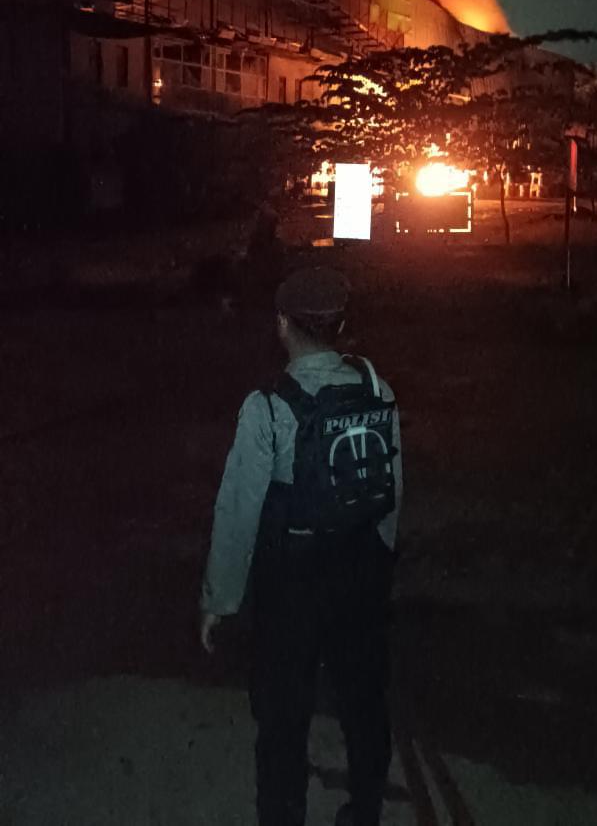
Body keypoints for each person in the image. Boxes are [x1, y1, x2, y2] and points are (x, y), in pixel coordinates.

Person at [200, 266, 402, 826]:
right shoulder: (376, 388)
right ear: (340, 326)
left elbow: (238, 510)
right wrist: (380, 560)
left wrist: (220, 600)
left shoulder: (267, 407)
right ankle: (365, 809)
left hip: (293, 583)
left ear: (284, 325)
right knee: (364, 702)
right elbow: (391, 485)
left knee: (283, 714)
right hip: (359, 572)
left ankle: (283, 814)